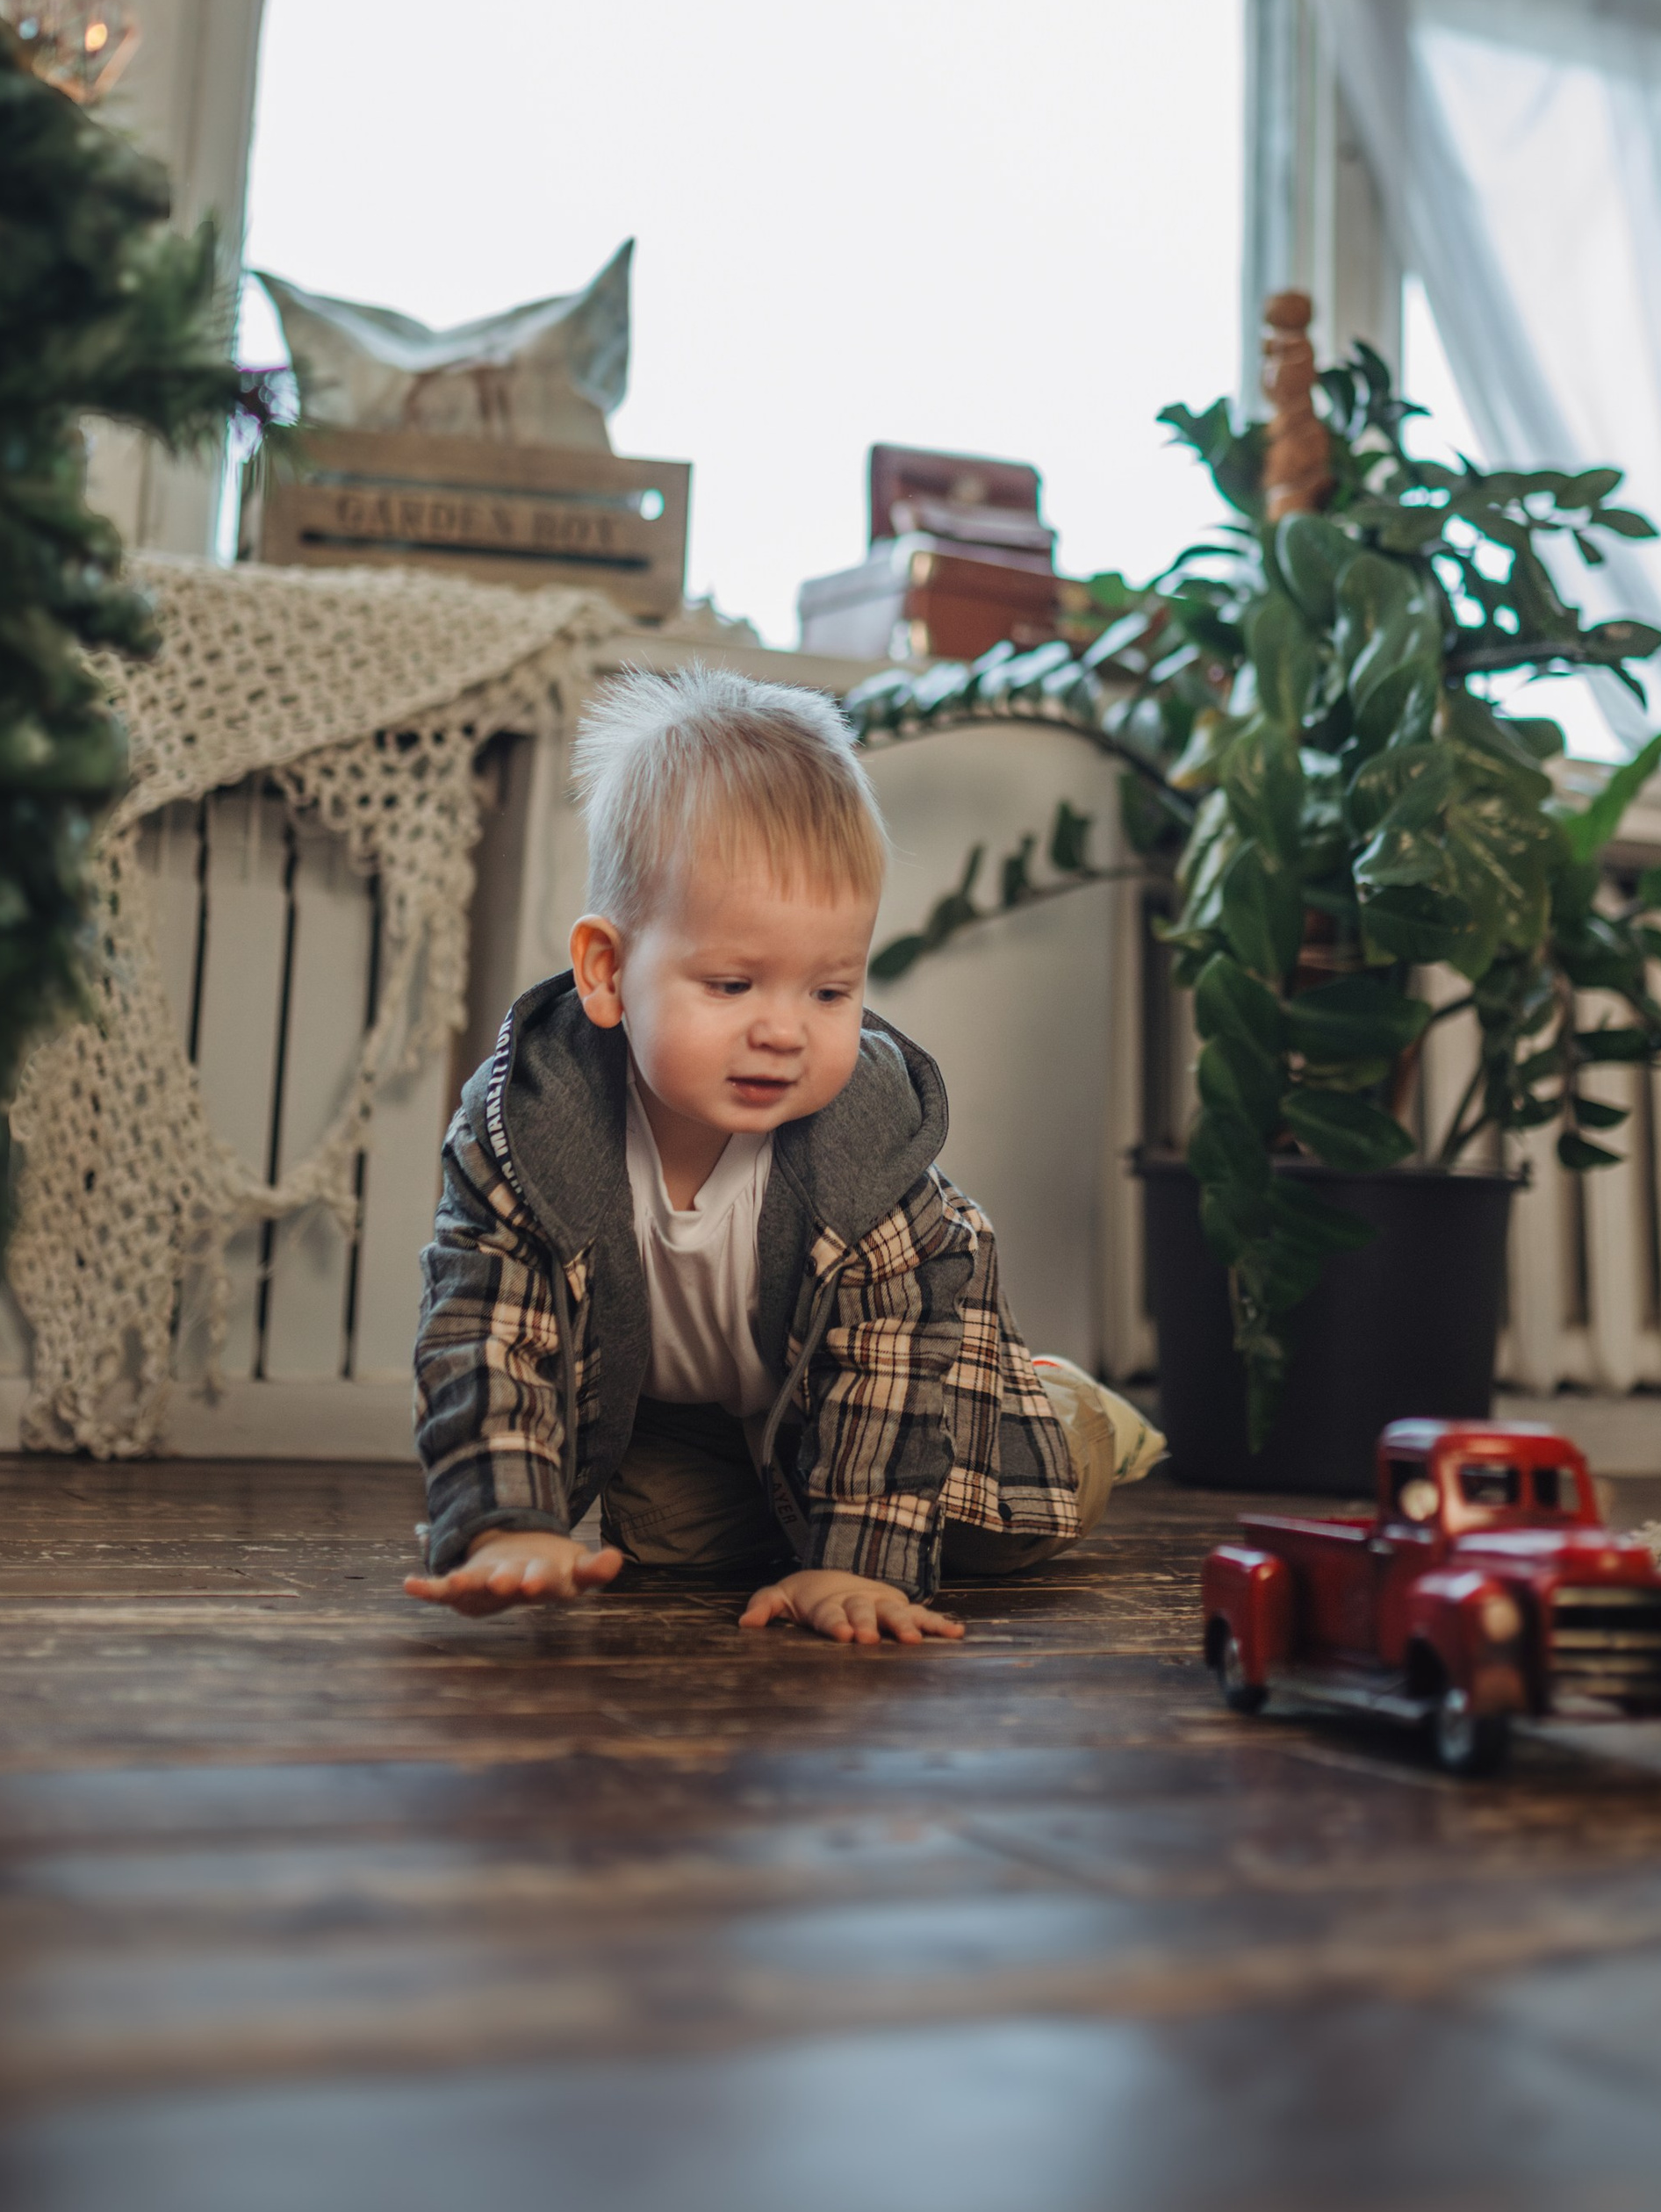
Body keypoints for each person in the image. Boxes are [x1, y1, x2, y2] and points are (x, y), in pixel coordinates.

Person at [404, 662, 1154, 1642]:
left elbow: (885, 1364)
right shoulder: (528, 1129)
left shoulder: (862, 1157)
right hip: (710, 1408)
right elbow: (484, 1332)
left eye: (828, 992)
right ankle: (794, 1490)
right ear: (608, 971)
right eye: (732, 985)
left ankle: (1067, 1405)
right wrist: (503, 1524)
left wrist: (856, 1568)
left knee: (985, 1526)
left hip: (913, 1375)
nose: (784, 1031)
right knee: (673, 1549)